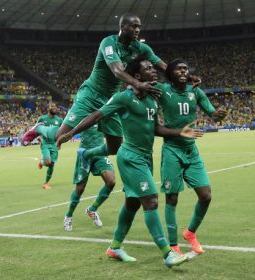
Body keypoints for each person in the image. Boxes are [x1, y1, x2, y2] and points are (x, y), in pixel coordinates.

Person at [56, 58, 204, 267]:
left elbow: (155, 128)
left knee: (132, 204)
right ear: (136, 76)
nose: (154, 70)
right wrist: (70, 133)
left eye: (153, 67)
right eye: (148, 68)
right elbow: (96, 115)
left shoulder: (152, 98)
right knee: (151, 200)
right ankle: (168, 254)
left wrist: (179, 132)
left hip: (145, 157)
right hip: (130, 157)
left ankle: (114, 247)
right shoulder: (123, 98)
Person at [23, 13, 200, 163]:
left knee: (114, 147)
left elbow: (163, 66)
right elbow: (117, 70)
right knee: (58, 136)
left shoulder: (141, 47)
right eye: (133, 26)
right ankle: (39, 128)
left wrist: (184, 76)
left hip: (112, 97)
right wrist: (138, 83)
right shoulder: (109, 43)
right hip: (91, 94)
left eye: (139, 27)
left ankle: (86, 154)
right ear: (122, 27)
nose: (137, 30)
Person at [155, 59, 227, 255]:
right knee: (172, 198)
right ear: (170, 73)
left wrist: (218, 114)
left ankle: (190, 233)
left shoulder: (195, 91)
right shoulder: (162, 90)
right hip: (171, 150)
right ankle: (173, 244)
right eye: (179, 68)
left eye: (186, 68)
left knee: (206, 195)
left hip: (191, 151)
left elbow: (212, 114)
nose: (183, 71)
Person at [63, 125, 115, 231]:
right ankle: (68, 216)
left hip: (100, 151)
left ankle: (92, 209)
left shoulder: (104, 110)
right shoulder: (83, 110)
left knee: (111, 181)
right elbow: (69, 127)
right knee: (80, 188)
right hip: (85, 153)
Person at [36, 103, 63, 190]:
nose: (54, 108)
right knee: (48, 162)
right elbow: (37, 129)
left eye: (55, 107)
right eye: (52, 107)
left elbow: (61, 133)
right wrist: (39, 138)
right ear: (48, 108)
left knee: (52, 164)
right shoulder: (42, 118)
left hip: (54, 144)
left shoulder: (59, 120)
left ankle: (46, 183)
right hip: (45, 143)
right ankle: (42, 162)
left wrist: (60, 143)